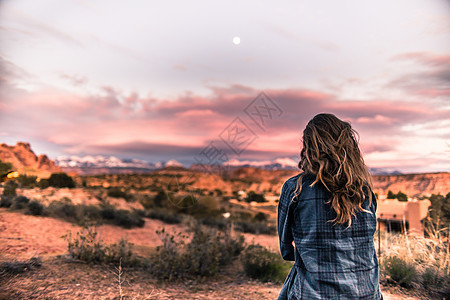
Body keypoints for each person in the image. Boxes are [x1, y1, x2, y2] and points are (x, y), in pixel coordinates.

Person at [277, 113, 382, 299]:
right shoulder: (364, 191)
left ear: (309, 147)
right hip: (367, 293)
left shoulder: (295, 189)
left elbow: (286, 250)